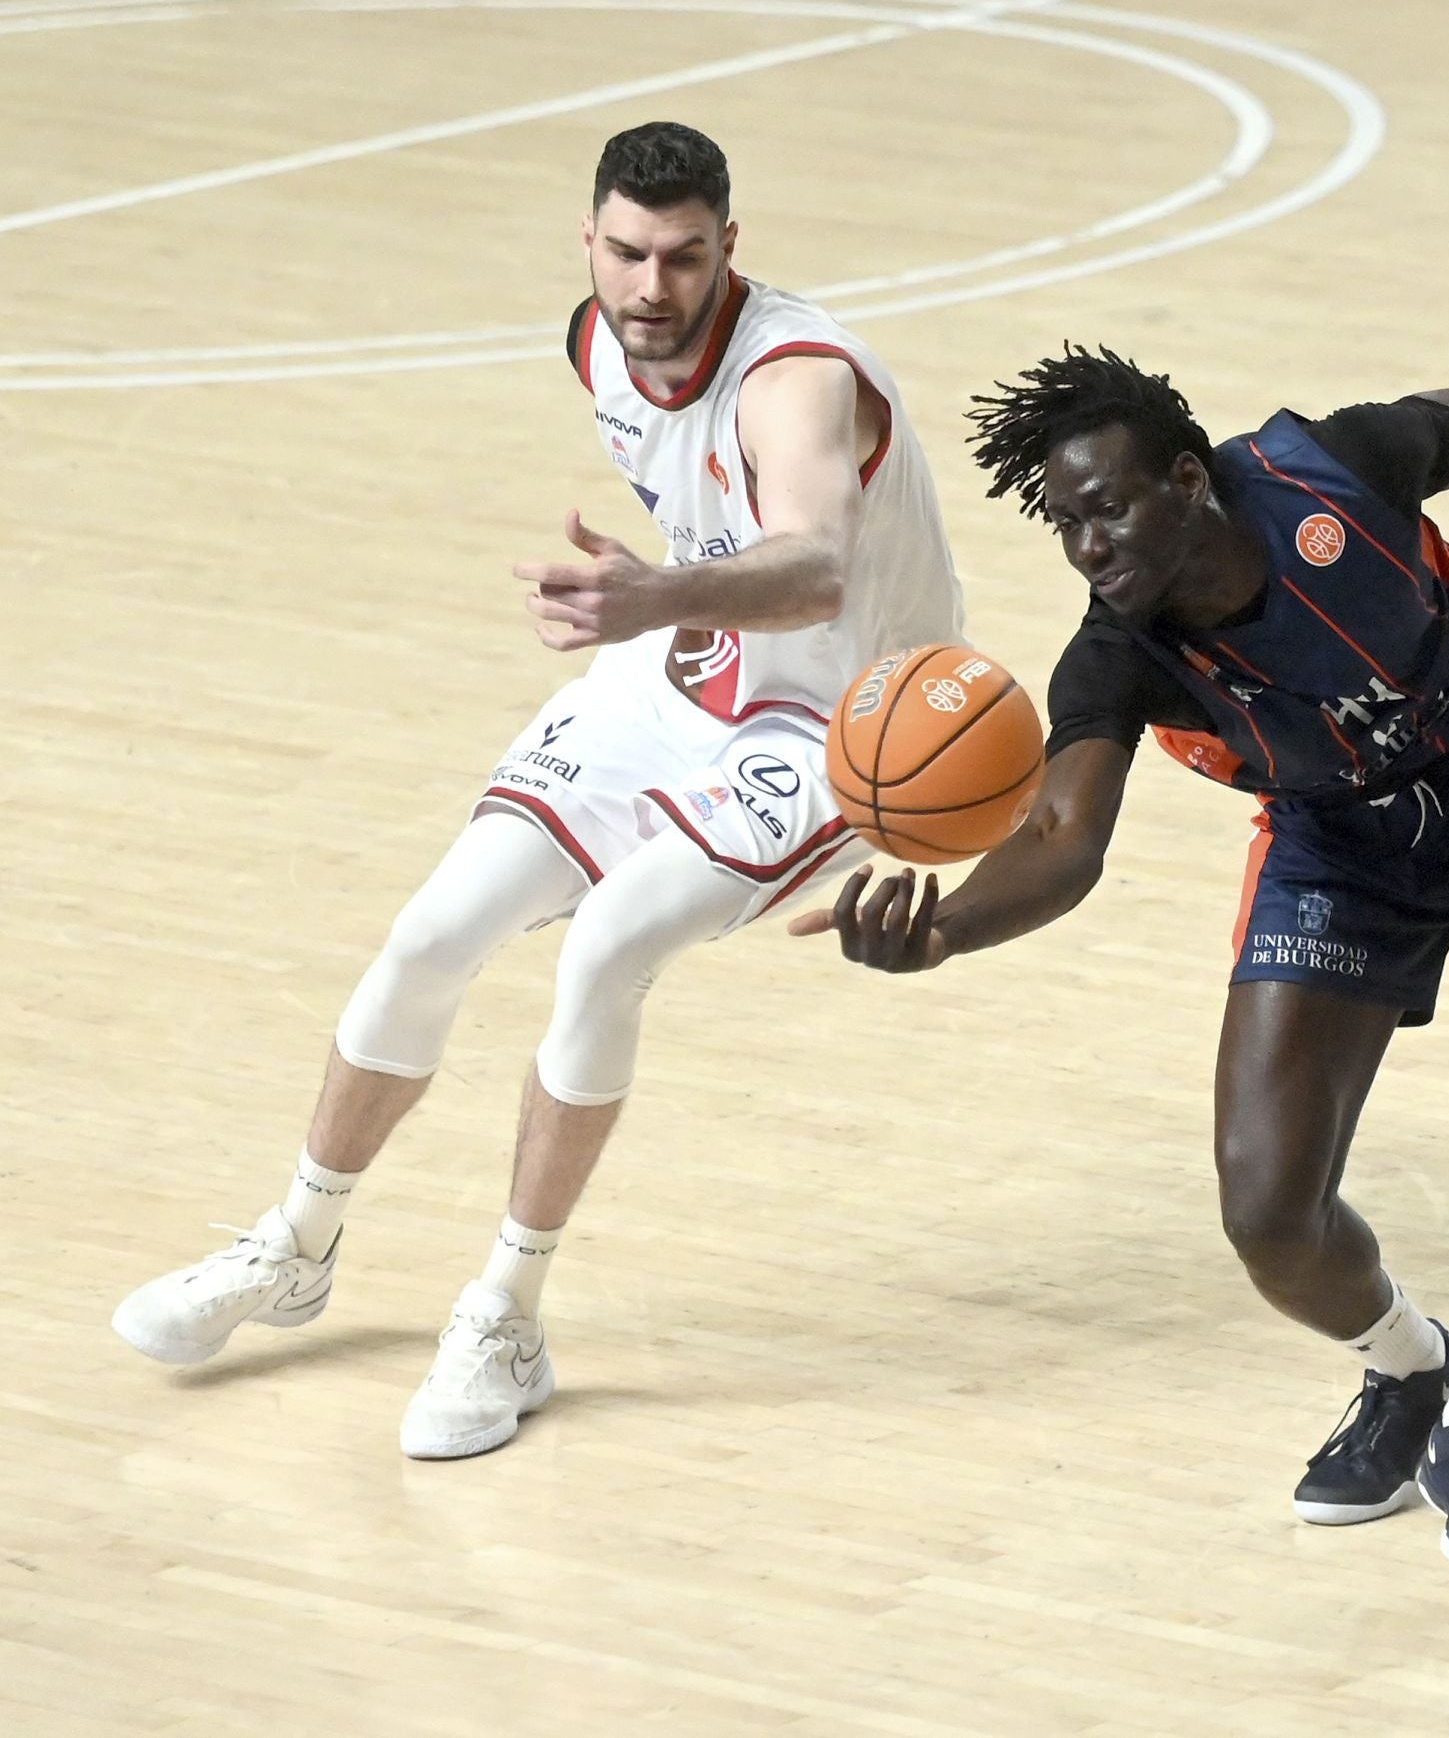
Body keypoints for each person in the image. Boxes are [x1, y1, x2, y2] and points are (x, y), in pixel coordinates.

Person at [797, 157, 1449, 1577]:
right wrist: (938, 931)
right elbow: (1063, 838)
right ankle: (1407, 1363)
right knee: (1266, 1209)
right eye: (1065, 523)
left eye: (1109, 506)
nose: (1089, 542)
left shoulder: (1334, 468)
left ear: (1189, 478)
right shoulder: (1116, 652)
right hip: (1337, 840)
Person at [112, 121, 966, 1459]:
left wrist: (655, 591)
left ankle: (506, 1312)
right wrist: (665, 590)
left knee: (608, 947)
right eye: (627, 251)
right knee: (433, 932)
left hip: (843, 716)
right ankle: (297, 1239)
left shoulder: (793, 379)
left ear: (730, 251)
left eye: (686, 257)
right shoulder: (597, 342)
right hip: (687, 659)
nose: (652, 285)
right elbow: (715, 540)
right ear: (589, 241)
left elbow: (813, 568)